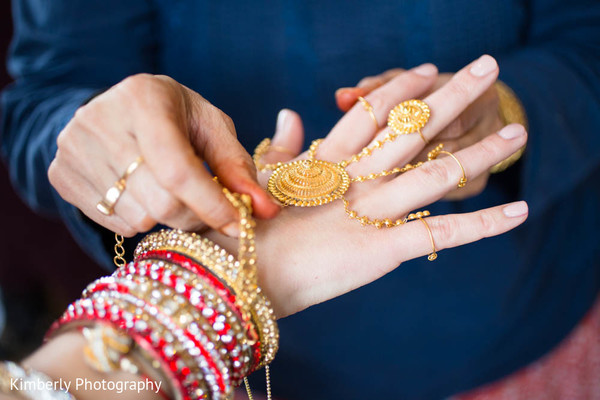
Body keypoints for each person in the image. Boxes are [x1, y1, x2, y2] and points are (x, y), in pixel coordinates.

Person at [1, 1, 599, 399]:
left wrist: (510, 114)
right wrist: (93, 140)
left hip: (527, 304)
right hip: (265, 370)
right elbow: (44, 96)